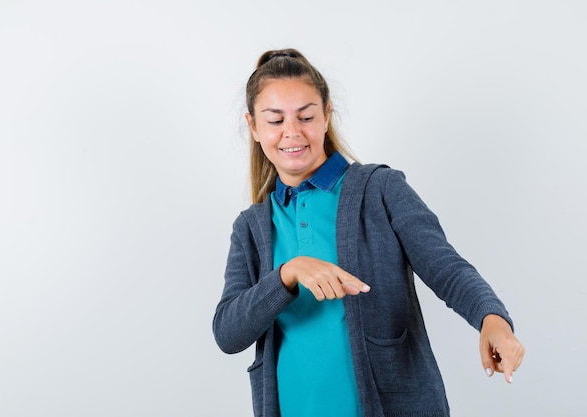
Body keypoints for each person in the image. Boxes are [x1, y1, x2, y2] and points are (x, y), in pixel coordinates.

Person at [212, 48, 524, 417]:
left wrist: (492, 319)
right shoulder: (251, 227)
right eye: (275, 120)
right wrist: (288, 274)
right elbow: (228, 333)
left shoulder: (380, 189)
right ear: (253, 127)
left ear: (327, 115)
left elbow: (446, 266)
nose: (292, 132)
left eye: (306, 116)